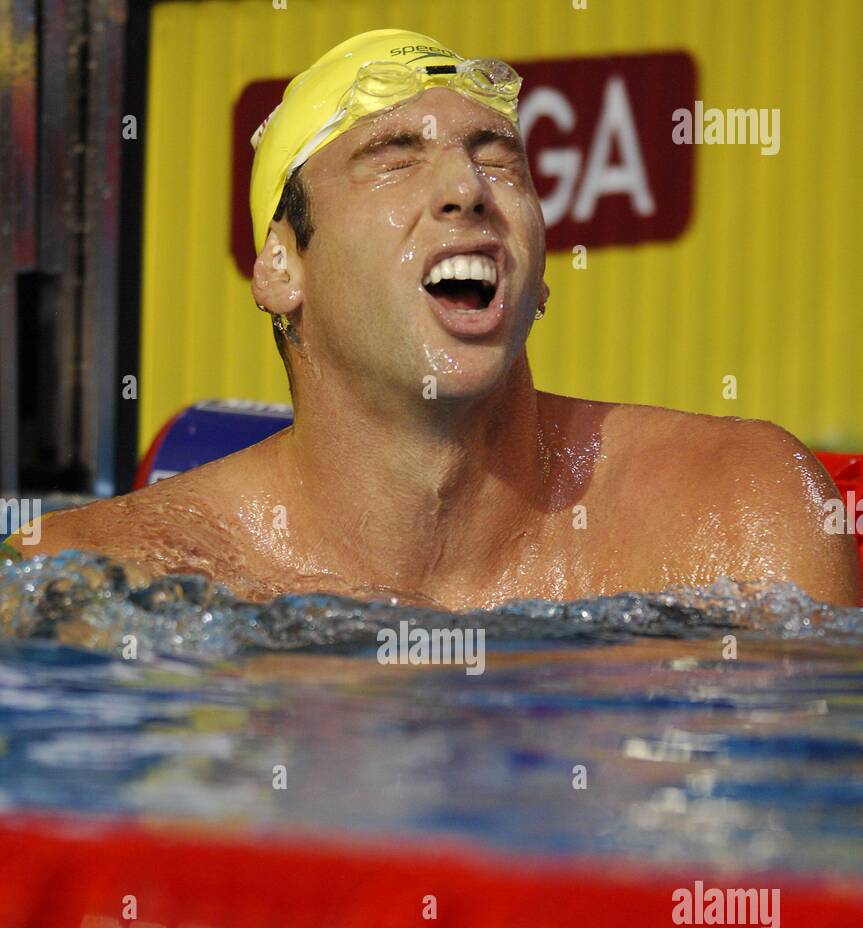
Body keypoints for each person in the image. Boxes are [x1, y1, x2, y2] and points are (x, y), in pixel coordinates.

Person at [23, 28, 859, 607]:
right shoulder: (103, 575)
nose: (467, 188)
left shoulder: (740, 517)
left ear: (538, 280)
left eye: (497, 156)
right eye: (393, 158)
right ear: (282, 267)